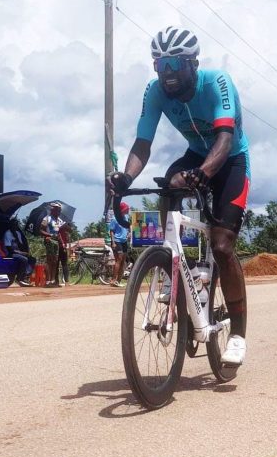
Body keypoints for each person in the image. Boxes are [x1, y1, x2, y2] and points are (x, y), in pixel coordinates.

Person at [107, 26, 251, 366]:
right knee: (169, 183)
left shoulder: (217, 82)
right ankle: (174, 268)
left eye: (174, 64)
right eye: (160, 65)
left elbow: (225, 140)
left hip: (229, 159)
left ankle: (239, 335)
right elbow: (143, 142)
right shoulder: (155, 91)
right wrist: (126, 176)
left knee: (221, 245)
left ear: (193, 63)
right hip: (195, 153)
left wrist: (203, 173)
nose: (167, 73)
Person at [40, 202, 67, 287]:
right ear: (52, 210)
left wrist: (62, 243)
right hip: (49, 240)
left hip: (57, 241)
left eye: (59, 210)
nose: (58, 211)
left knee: (55, 261)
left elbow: (59, 233)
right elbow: (41, 230)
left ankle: (53, 280)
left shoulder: (59, 220)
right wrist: (48, 235)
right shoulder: (47, 219)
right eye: (56, 209)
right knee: (49, 260)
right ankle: (48, 281)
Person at [3, 218, 35, 286]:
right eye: (14, 224)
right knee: (24, 259)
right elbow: (9, 249)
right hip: (10, 254)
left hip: (18, 252)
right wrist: (21, 253)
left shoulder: (18, 233)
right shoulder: (7, 234)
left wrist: (17, 237)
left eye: (16, 224)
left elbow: (21, 245)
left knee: (32, 259)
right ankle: (19, 279)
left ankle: (26, 275)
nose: (15, 226)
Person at [109, 202, 130, 287]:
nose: (127, 210)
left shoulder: (126, 217)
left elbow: (128, 227)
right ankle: (113, 280)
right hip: (117, 240)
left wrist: (129, 233)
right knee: (119, 259)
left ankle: (118, 280)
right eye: (125, 209)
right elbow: (111, 231)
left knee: (123, 260)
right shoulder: (115, 219)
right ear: (122, 210)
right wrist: (113, 242)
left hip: (124, 241)